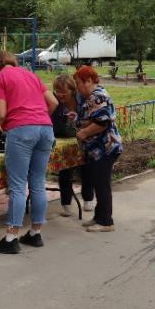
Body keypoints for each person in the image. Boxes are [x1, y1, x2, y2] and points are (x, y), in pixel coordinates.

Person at [0, 50, 59, 254]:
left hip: (21, 130)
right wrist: (38, 117)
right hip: (46, 129)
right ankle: (35, 233)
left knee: (17, 186)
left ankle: (11, 238)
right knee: (38, 183)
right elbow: (53, 102)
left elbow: (0, 113)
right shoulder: (30, 74)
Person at [74, 65, 123, 232]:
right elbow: (91, 118)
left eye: (79, 84)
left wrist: (84, 132)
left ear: (88, 81)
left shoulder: (98, 96)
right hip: (99, 150)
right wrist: (78, 120)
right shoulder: (93, 97)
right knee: (98, 182)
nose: (78, 88)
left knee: (102, 185)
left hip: (105, 149)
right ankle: (99, 216)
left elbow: (102, 122)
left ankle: (106, 222)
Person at [52, 74, 94, 217]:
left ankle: (88, 198)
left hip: (83, 138)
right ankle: (66, 203)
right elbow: (52, 121)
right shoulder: (54, 101)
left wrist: (77, 120)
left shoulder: (81, 100)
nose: (60, 94)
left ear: (72, 90)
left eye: (64, 91)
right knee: (65, 170)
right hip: (62, 140)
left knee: (86, 168)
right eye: (57, 91)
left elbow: (89, 118)